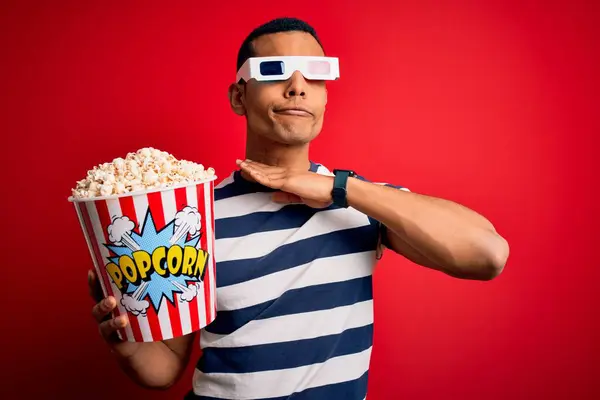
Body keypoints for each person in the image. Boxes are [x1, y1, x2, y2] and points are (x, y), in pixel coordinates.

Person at [88, 17, 510, 399]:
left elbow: (487, 254)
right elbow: (163, 370)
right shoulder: (190, 218)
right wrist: (128, 345)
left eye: (316, 73)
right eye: (272, 71)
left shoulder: (362, 202)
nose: (297, 85)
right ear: (239, 96)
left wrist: (337, 188)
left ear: (325, 98)